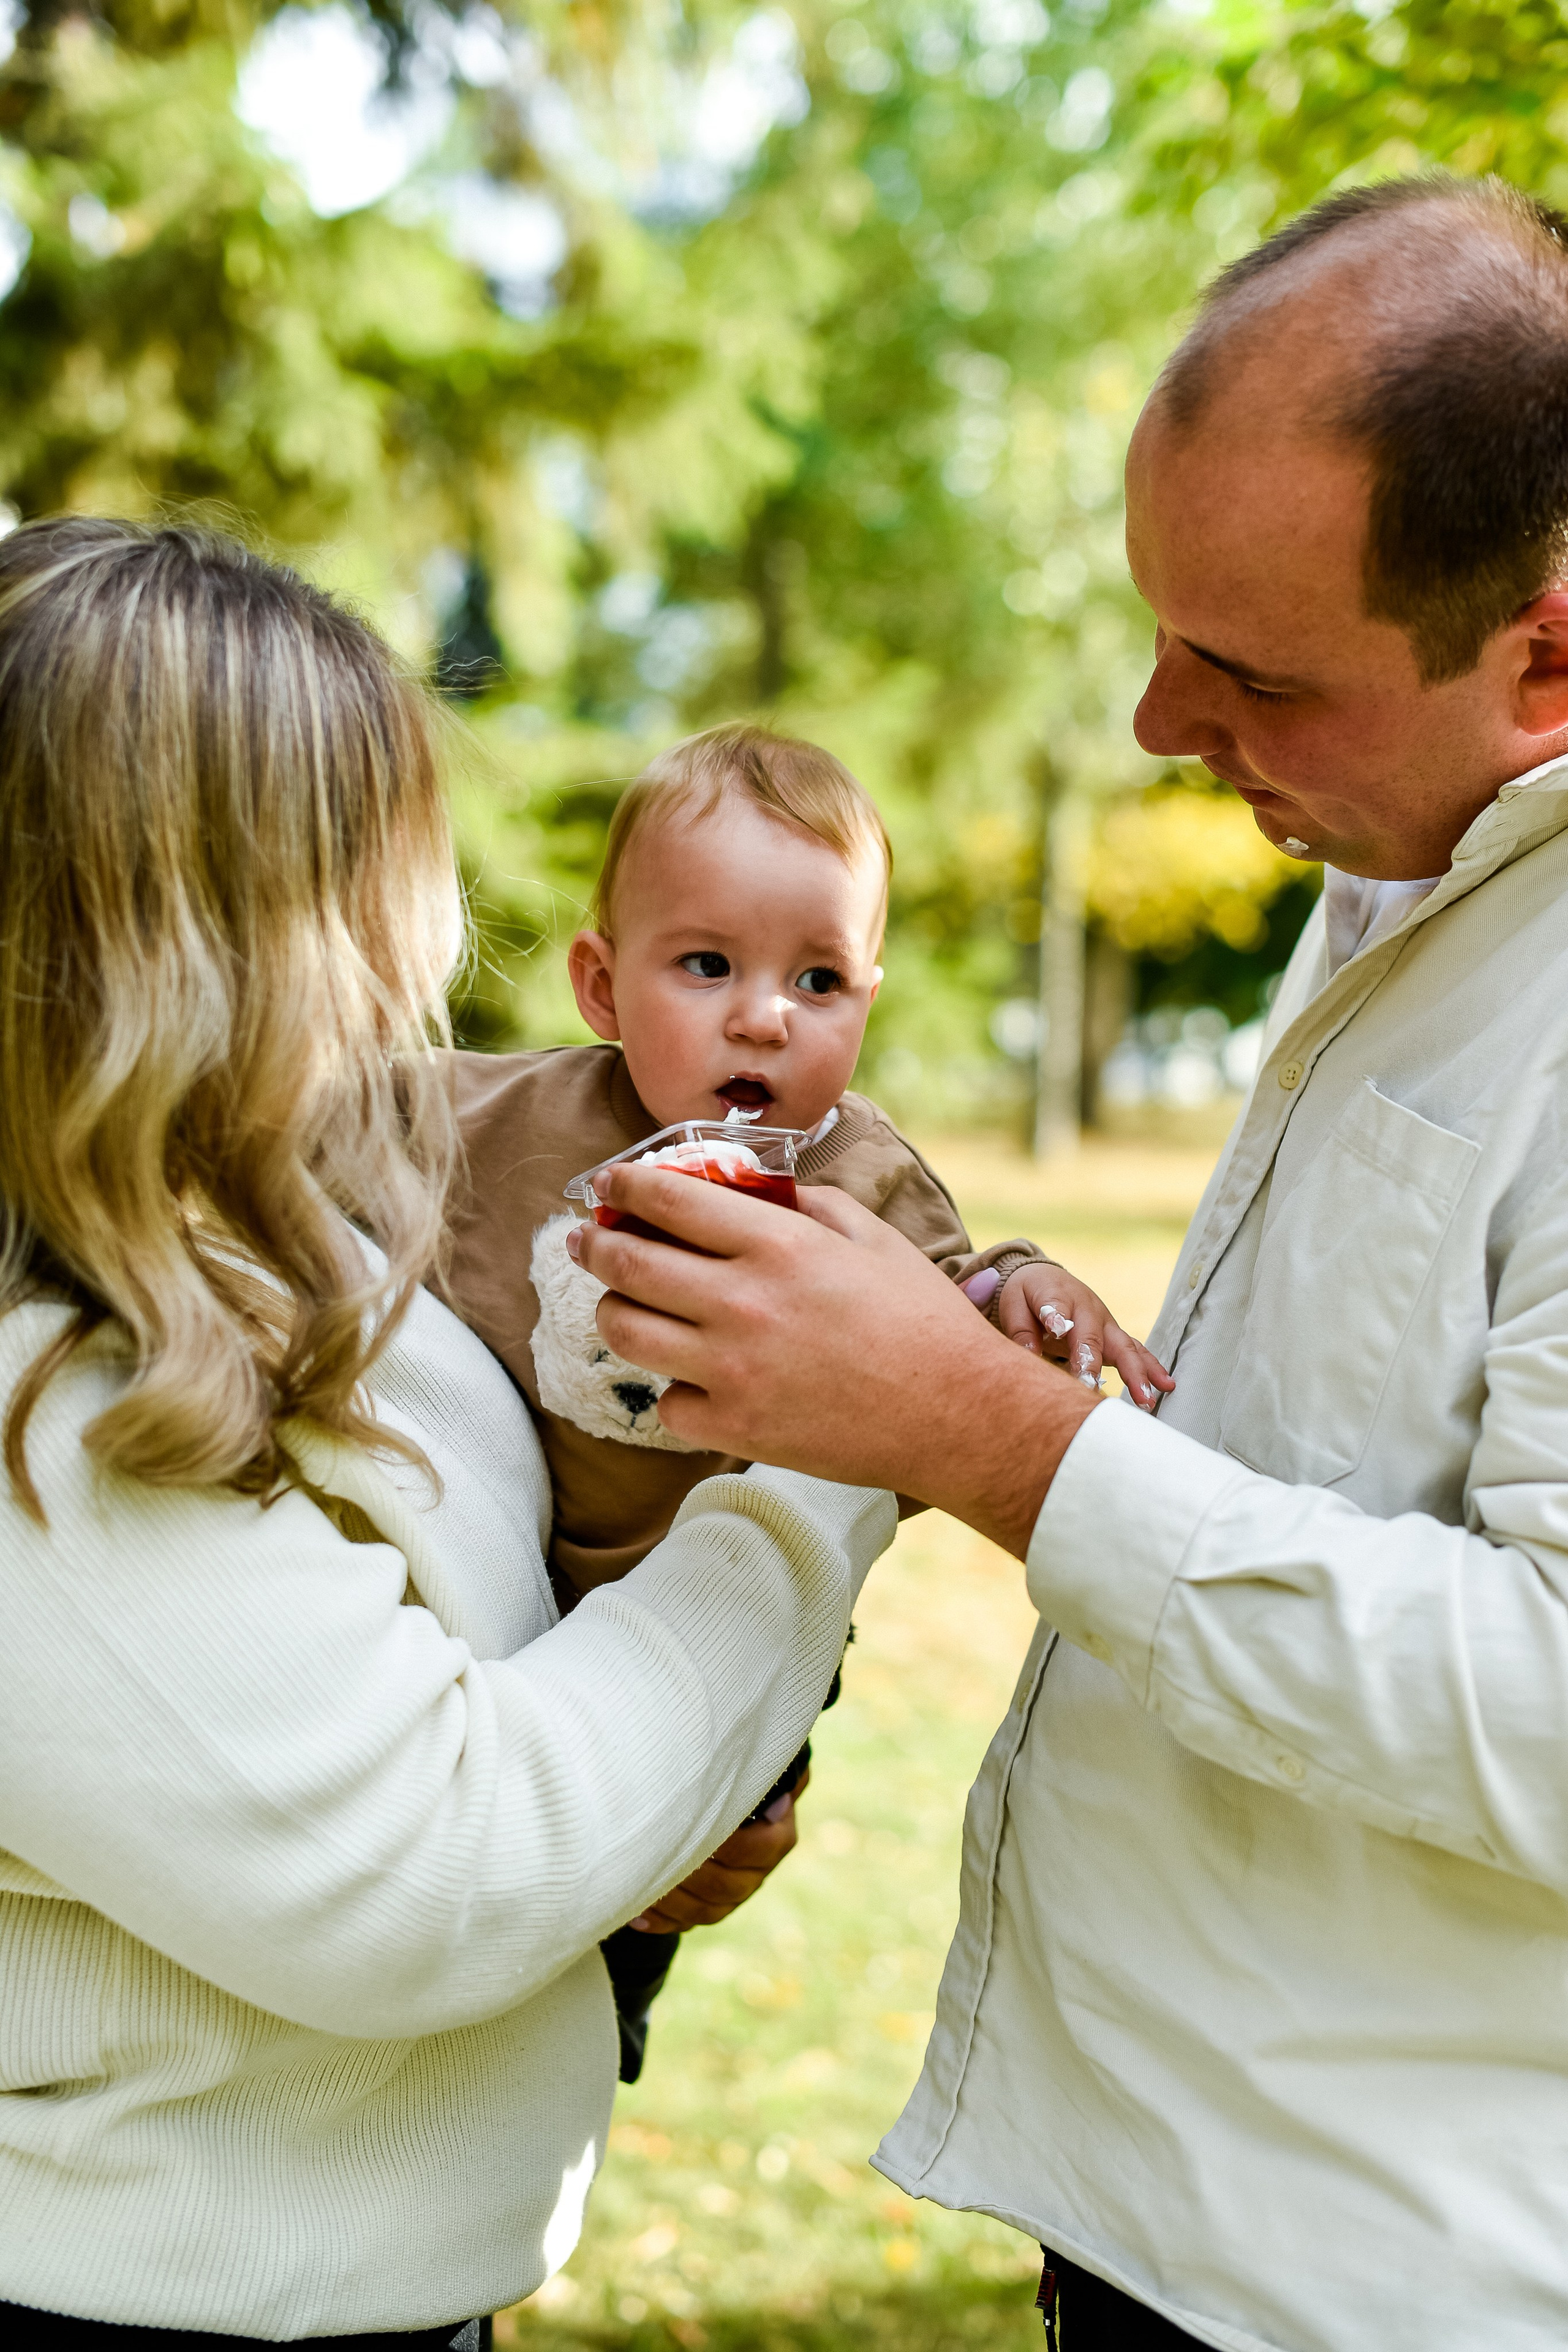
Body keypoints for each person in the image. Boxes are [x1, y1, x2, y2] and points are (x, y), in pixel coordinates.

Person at [573, 172, 1568, 2350]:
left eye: (1245, 669)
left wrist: (981, 1432)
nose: (1149, 723)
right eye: (1158, 625)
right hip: (1172, 2218)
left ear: (1549, 652)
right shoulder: (1412, 868)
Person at [0, 517, 895, 2343]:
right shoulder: (45, 1402)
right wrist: (826, 1458)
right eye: (376, 868)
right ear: (189, 929)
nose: (424, 931)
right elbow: (448, 1862)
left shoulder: (270, 1222)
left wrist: (669, 1801)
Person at [440, 720, 1172, 2078]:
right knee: (480, 1891)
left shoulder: (859, 1174)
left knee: (662, 1877)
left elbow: (958, 1296)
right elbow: (310, 1122)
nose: (763, 1015)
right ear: (602, 984)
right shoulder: (487, 1120)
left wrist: (1032, 1286)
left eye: (818, 978)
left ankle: (608, 2006)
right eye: (706, 964)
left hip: (733, 1627)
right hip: (499, 1599)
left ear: (866, 1000)